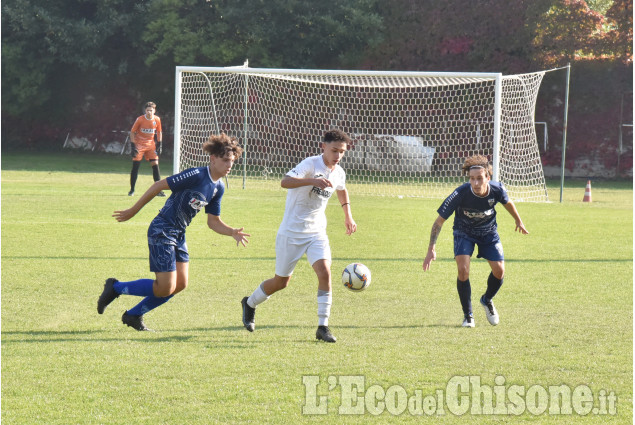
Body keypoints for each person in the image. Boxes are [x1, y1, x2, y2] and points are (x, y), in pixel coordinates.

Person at [98, 133, 250, 331]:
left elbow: (213, 222)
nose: (230, 165)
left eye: (232, 161)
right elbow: (158, 185)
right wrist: (133, 210)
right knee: (164, 288)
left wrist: (231, 232)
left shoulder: (218, 188)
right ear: (213, 159)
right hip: (162, 229)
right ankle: (115, 287)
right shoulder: (196, 175)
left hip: (178, 234)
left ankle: (133, 315)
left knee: (180, 285)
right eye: (225, 160)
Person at [241, 129, 357, 343]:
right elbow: (285, 182)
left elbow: (342, 189)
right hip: (291, 233)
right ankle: (249, 303)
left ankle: (323, 327)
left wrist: (348, 216)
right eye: (334, 150)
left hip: (317, 232)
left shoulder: (339, 172)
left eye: (342, 152)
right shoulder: (310, 164)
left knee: (324, 272)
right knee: (281, 282)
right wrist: (311, 181)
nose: (338, 155)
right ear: (323, 147)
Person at [422, 155, 528, 328]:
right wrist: (431, 248)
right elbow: (438, 222)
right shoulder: (460, 193)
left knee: (499, 271)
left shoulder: (497, 189)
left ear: (488, 177)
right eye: (472, 179)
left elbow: (507, 202)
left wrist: (518, 220)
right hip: (464, 232)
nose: (476, 183)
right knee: (463, 270)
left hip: (488, 233)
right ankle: (468, 316)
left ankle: (486, 300)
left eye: (480, 178)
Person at [129, 101, 165, 197]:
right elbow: (132, 132)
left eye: (151, 110)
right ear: (145, 110)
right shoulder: (140, 119)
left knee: (155, 166)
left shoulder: (157, 119)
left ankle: (158, 191)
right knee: (135, 167)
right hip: (139, 145)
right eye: (148, 110)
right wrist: (133, 146)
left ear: (154, 110)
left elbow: (159, 132)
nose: (149, 112)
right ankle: (132, 190)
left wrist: (159, 144)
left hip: (151, 145)